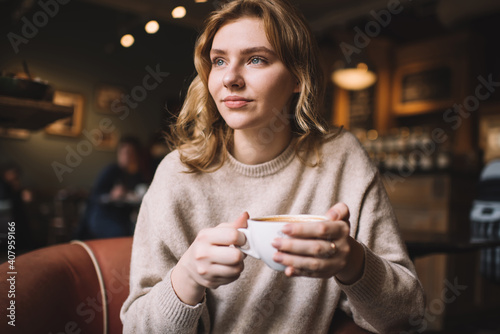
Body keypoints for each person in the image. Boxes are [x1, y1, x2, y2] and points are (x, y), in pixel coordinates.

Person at [120, 0, 425, 333]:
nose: (230, 79)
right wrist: (187, 277)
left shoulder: (340, 158)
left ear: (297, 76)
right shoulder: (177, 173)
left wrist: (352, 262)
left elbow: (408, 316)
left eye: (255, 59)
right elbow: (136, 327)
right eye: (219, 61)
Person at [77, 136, 147, 239]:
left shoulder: (136, 175)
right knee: (122, 234)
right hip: (102, 216)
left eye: (132, 153)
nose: (129, 156)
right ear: (119, 154)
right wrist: (111, 195)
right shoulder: (111, 170)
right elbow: (94, 196)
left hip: (122, 217)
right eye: (125, 152)